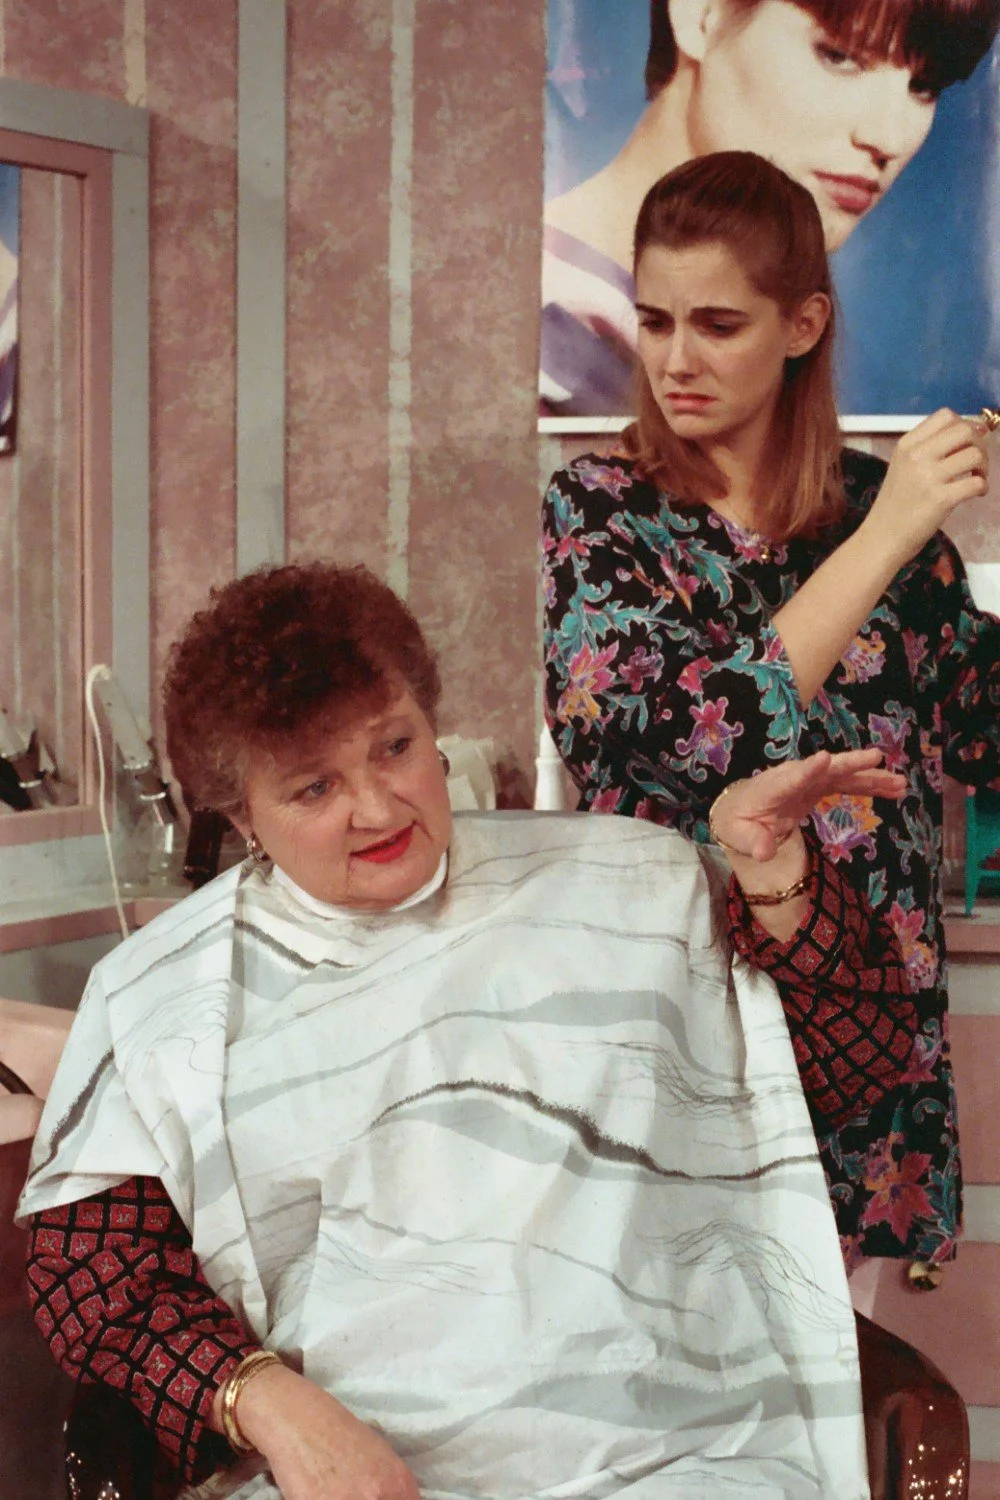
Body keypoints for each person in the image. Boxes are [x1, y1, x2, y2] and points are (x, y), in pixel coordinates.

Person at [18, 561, 913, 1500]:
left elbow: (851, 1068)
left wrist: (774, 882)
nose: (376, 808)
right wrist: (273, 1406)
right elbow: (97, 1278)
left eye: (395, 747)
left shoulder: (631, 884)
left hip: (677, 1460)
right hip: (362, 1476)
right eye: (313, 789)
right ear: (240, 814)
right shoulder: (167, 994)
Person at [542, 147, 1000, 1276]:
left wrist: (895, 530)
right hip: (679, 1034)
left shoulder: (879, 518)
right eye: (653, 321)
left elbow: (983, 727)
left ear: (801, 326)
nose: (674, 360)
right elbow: (688, 730)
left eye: (717, 324)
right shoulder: (601, 517)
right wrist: (889, 532)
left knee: (837, 1415)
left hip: (865, 1054)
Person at [540, 0, 1000, 416]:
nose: (890, 137)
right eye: (838, 57)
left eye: (923, 85)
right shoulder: (552, 352)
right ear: (701, 15)